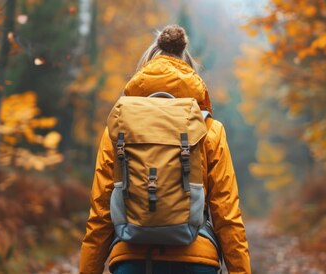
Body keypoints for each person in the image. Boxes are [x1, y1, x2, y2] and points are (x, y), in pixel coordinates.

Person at [79, 24, 251, 274]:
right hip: (196, 261)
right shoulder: (209, 129)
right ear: (189, 70)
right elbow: (227, 216)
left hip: (131, 261)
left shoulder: (117, 130)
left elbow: (101, 216)